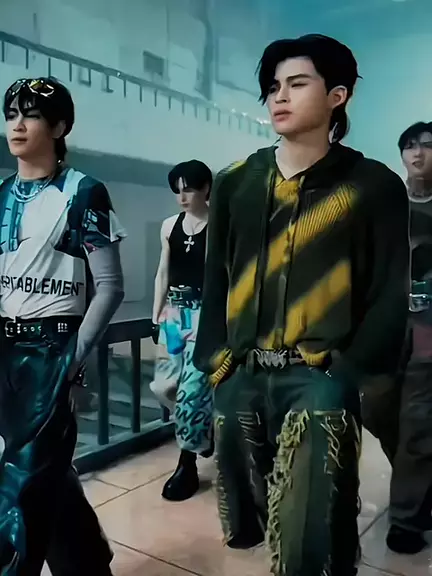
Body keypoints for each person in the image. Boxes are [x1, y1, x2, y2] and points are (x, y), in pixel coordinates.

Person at [193, 34, 410, 576]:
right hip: (242, 372)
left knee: (313, 531)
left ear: (337, 95)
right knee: (251, 518)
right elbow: (216, 278)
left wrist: (348, 369)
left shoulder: (373, 186)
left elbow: (389, 289)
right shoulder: (235, 183)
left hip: (318, 375)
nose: (280, 97)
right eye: (273, 87)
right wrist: (217, 362)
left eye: (296, 83)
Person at [0, 77, 126, 574]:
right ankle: (88, 563)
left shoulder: (83, 192)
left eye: (30, 114)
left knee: (21, 483)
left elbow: (110, 286)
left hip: (50, 347)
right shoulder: (2, 193)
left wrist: (71, 358)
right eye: (12, 113)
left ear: (58, 127)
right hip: (5, 348)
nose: (17, 125)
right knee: (41, 470)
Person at [361, 121, 432, 555]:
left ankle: (406, 518)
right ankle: (419, 477)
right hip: (385, 324)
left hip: (429, 327)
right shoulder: (386, 204)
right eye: (410, 146)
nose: (418, 153)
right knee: (376, 408)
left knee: (419, 420)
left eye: (427, 146)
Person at [150, 160, 213, 502]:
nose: (182, 197)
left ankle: (186, 462)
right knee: (164, 385)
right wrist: (155, 315)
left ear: (205, 188)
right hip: (174, 315)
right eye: (177, 190)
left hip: (204, 314)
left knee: (192, 389)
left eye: (188, 189)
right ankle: (202, 428)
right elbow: (163, 271)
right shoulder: (169, 226)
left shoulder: (218, 227)